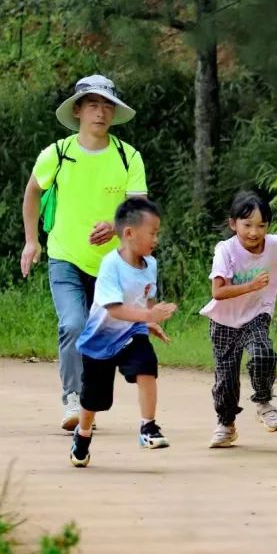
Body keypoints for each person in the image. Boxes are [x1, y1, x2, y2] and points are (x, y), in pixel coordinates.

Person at [20, 75, 148, 431]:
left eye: (107, 105)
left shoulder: (127, 157)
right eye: (93, 104)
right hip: (65, 256)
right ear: (77, 110)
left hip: (111, 264)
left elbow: (138, 206)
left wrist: (115, 224)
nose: (100, 112)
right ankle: (72, 399)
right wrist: (33, 241)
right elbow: (32, 192)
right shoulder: (57, 154)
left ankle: (89, 399)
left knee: (102, 334)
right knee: (73, 324)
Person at [68, 197, 177, 468]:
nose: (156, 240)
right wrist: (148, 315)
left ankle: (148, 427)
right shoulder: (110, 266)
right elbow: (115, 309)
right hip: (100, 340)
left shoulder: (150, 264)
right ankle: (82, 436)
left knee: (147, 364)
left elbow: (146, 297)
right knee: (94, 400)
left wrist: (150, 321)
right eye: (152, 233)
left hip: (132, 332)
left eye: (157, 233)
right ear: (129, 233)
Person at [200, 191, 277, 448]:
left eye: (261, 226)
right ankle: (226, 424)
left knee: (263, 353)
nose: (254, 232)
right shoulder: (225, 250)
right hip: (223, 321)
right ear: (233, 224)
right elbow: (217, 291)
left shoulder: (275, 244)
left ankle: (264, 403)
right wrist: (251, 286)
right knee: (226, 381)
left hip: (256, 314)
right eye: (247, 225)